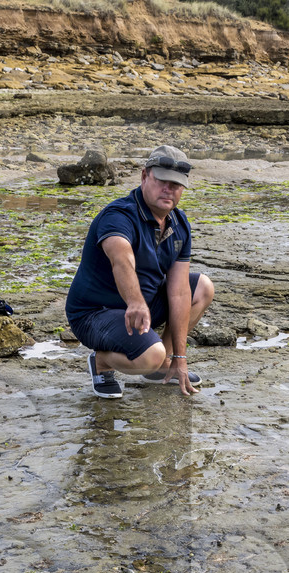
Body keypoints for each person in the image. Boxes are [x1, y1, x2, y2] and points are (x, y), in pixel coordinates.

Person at [65, 145, 215, 399]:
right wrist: (135, 302)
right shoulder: (118, 215)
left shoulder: (179, 224)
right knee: (149, 356)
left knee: (202, 287)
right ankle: (101, 363)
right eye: (161, 181)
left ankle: (163, 365)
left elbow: (178, 292)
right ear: (144, 176)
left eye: (176, 185)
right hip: (94, 314)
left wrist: (180, 358)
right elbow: (121, 260)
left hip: (143, 307)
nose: (168, 189)